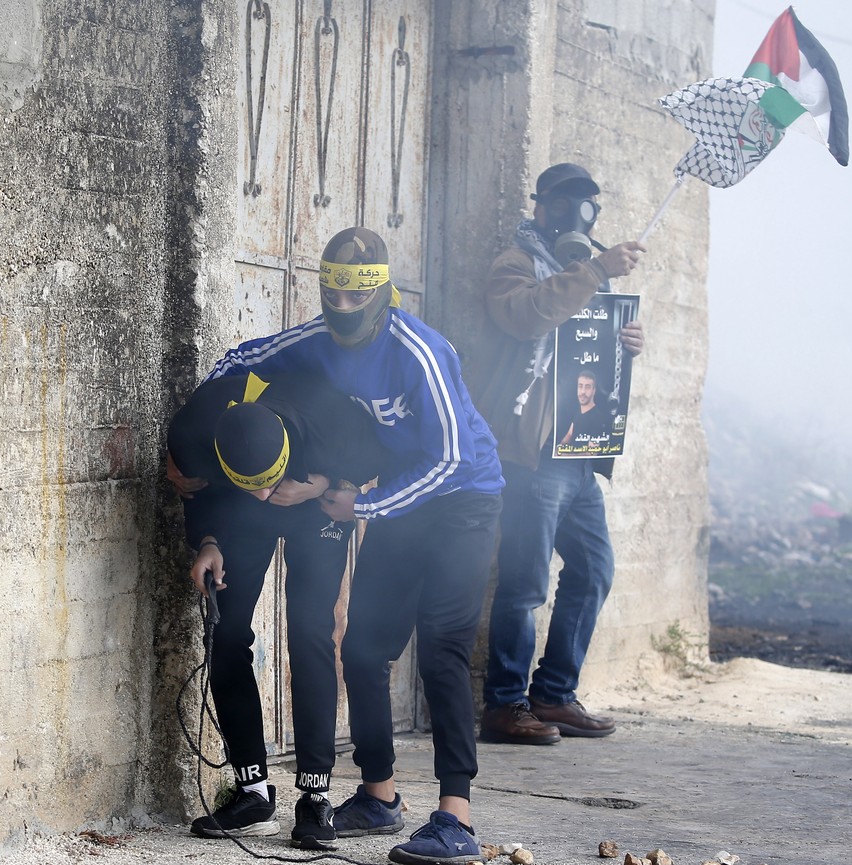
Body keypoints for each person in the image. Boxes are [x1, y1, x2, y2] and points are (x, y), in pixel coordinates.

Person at [204, 227, 504, 865]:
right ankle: (379, 794)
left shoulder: (420, 350)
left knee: (443, 649)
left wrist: (359, 503)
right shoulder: (316, 337)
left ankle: (456, 818)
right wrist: (207, 448)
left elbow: (452, 460)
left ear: (381, 294)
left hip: (462, 504)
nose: (339, 307)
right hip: (395, 501)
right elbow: (238, 361)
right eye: (330, 293)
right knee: (365, 651)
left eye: (352, 297)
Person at [460, 162, 646, 745]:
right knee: (524, 583)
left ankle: (554, 694)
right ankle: (504, 705)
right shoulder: (516, 266)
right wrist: (593, 268)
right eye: (565, 203)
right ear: (539, 208)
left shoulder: (589, 275)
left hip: (579, 451)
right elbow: (526, 315)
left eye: (588, 205)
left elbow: (589, 353)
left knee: (593, 571)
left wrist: (629, 345)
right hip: (530, 453)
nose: (577, 215)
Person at [167, 372, 387, 849]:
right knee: (225, 633)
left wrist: (323, 481)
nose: (267, 497)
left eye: (268, 486)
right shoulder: (194, 430)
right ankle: (252, 794)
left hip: (316, 504)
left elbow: (375, 457)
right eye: (256, 487)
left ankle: (314, 797)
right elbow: (195, 492)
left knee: (309, 632)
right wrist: (207, 542)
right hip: (236, 512)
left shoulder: (334, 419)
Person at [559, 371, 610, 446]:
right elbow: (568, 436)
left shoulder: (598, 418)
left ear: (594, 391)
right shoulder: (578, 413)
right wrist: (557, 449)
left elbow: (591, 453)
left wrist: (562, 454)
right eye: (580, 386)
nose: (583, 391)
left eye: (587, 387)